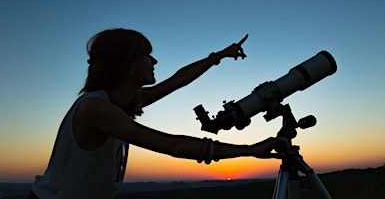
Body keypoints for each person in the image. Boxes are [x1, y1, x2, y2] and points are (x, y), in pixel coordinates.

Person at [29, 28, 288, 199]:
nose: (154, 62)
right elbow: (172, 145)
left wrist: (219, 56)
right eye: (147, 55)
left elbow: (178, 80)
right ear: (127, 63)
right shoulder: (96, 108)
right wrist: (249, 150)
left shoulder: (120, 103)